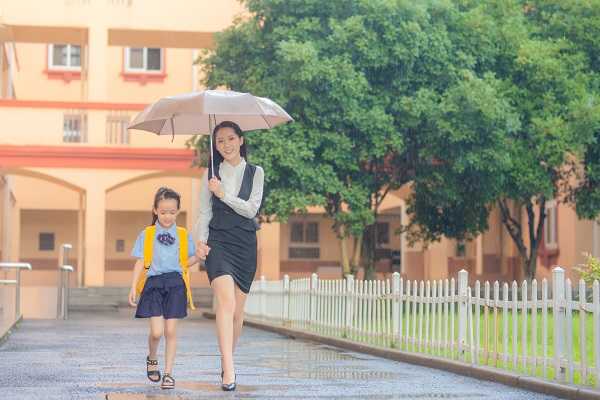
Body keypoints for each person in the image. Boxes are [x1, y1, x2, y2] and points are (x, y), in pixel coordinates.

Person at [196, 120, 264, 392]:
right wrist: (201, 242)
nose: (225, 145)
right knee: (226, 303)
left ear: (241, 140)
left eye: (230, 138)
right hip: (219, 242)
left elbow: (251, 209)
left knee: (237, 312)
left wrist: (222, 193)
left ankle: (228, 360)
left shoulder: (256, 172)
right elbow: (204, 212)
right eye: (220, 140)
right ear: (215, 145)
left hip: (245, 244)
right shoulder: (210, 173)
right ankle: (229, 367)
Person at [128, 187, 198, 390]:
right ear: (155, 210)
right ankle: (152, 357)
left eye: (172, 212)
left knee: (170, 331)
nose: (168, 216)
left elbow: (187, 262)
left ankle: (168, 374)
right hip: (154, 284)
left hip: (176, 284)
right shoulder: (147, 234)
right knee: (157, 332)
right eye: (163, 212)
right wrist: (133, 287)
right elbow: (140, 261)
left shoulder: (183, 234)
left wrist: (199, 256)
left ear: (178, 211)